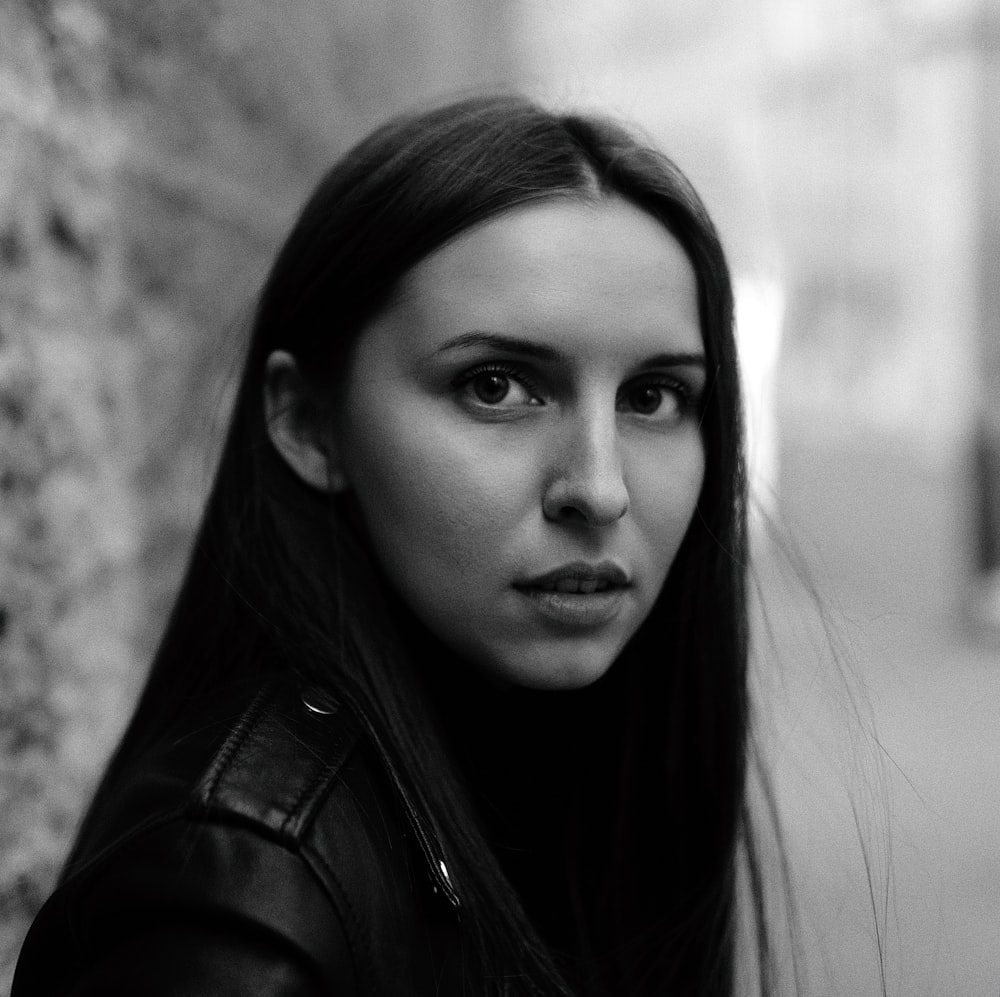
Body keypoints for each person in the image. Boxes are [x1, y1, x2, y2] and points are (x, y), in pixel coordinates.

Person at [12, 94, 764, 996]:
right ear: (308, 422)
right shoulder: (229, 913)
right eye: (496, 385)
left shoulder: (576, 774)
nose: (599, 488)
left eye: (652, 397)